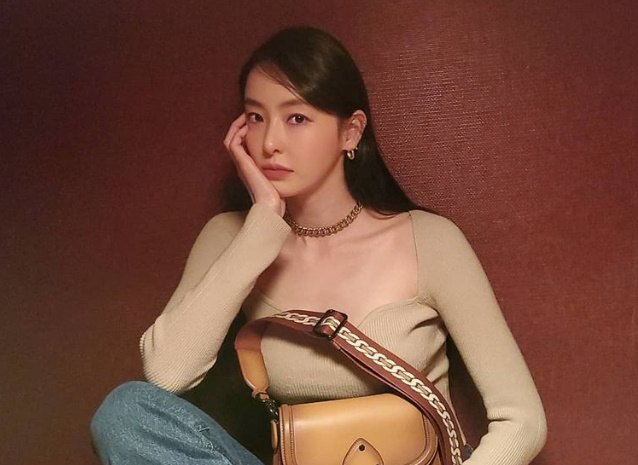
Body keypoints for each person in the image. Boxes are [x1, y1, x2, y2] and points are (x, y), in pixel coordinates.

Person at [90, 26, 547, 465]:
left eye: (297, 118)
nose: (270, 142)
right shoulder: (231, 236)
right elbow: (168, 373)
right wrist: (263, 223)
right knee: (125, 412)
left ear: (351, 132)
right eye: (256, 117)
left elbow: (522, 421)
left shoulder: (430, 240)